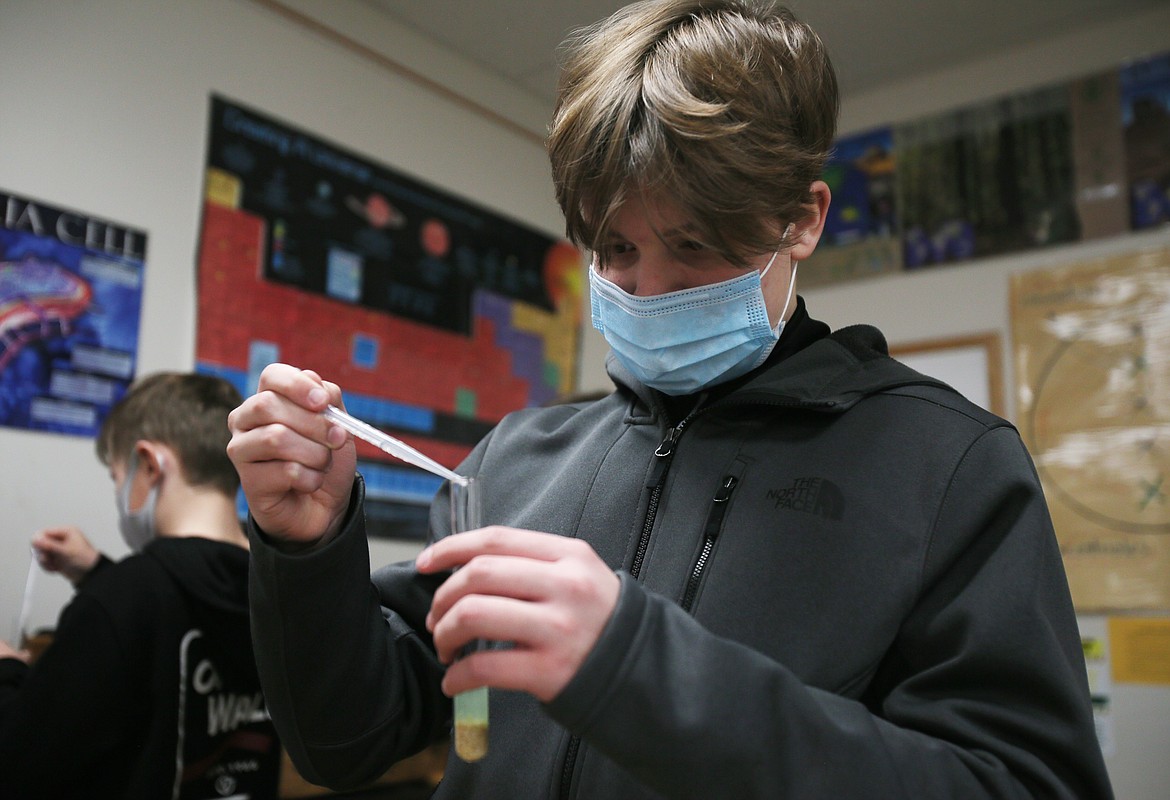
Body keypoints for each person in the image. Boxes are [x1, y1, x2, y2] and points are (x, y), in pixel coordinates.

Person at [226, 1, 1113, 797]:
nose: (646, 292)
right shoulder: (521, 458)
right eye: (614, 250)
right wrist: (304, 550)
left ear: (801, 220)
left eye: (692, 246)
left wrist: (640, 669)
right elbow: (349, 740)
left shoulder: (949, 469)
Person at [0, 372, 282, 799]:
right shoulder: (278, 587)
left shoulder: (122, 598)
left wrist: (7, 671)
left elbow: (17, 766)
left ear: (149, 466)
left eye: (117, 477)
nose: (118, 491)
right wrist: (94, 572)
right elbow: (170, 618)